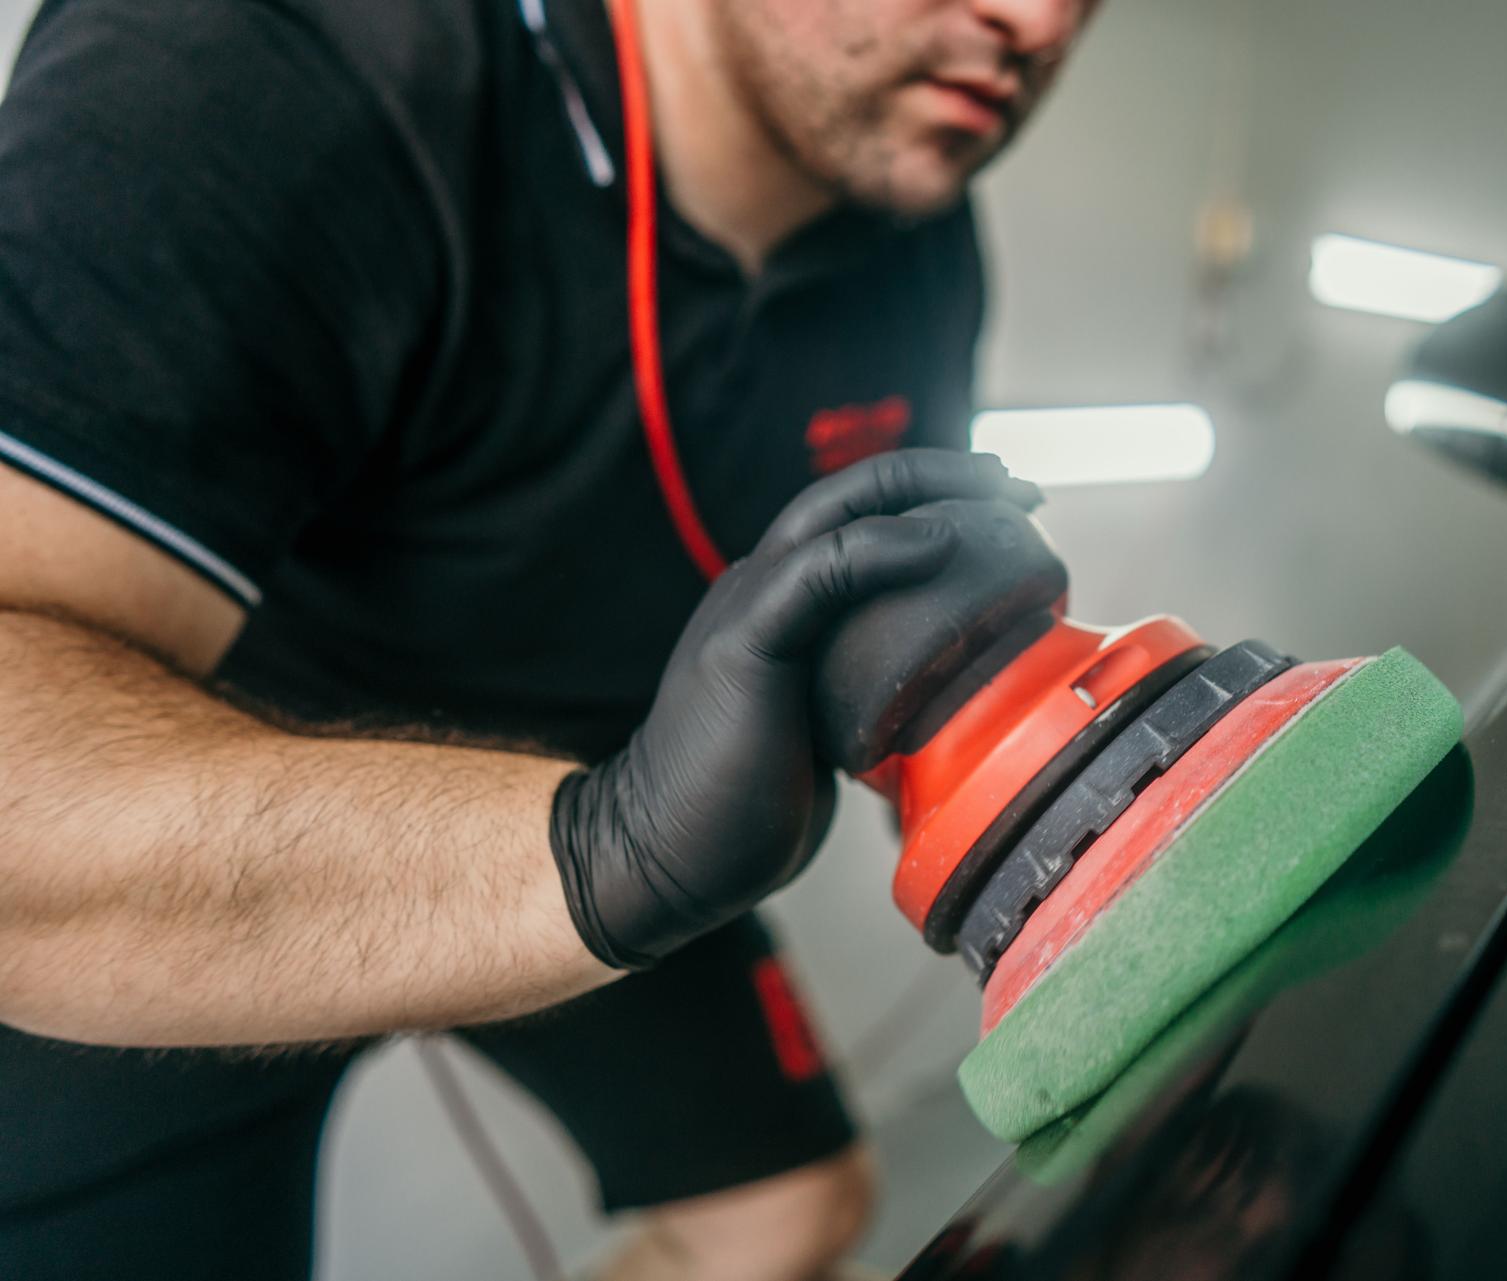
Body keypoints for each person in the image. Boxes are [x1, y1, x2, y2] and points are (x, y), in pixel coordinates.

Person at [0, 0, 1097, 1276]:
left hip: (614, 787)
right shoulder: (259, 59)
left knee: (785, 1222)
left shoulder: (912, 218)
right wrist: (600, 855)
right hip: (181, 827)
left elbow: (888, 608)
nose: (1038, 21)